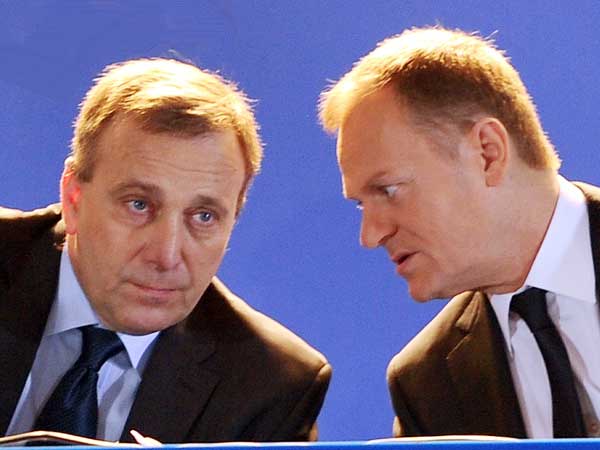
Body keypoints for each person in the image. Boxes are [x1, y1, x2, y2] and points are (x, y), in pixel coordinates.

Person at [0, 58, 331, 443]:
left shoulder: (269, 385)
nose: (166, 255)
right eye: (139, 205)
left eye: (204, 216)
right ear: (74, 199)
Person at [319, 26, 600, 439]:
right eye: (362, 204)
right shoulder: (426, 382)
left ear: (487, 153)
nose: (371, 235)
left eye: (389, 190)